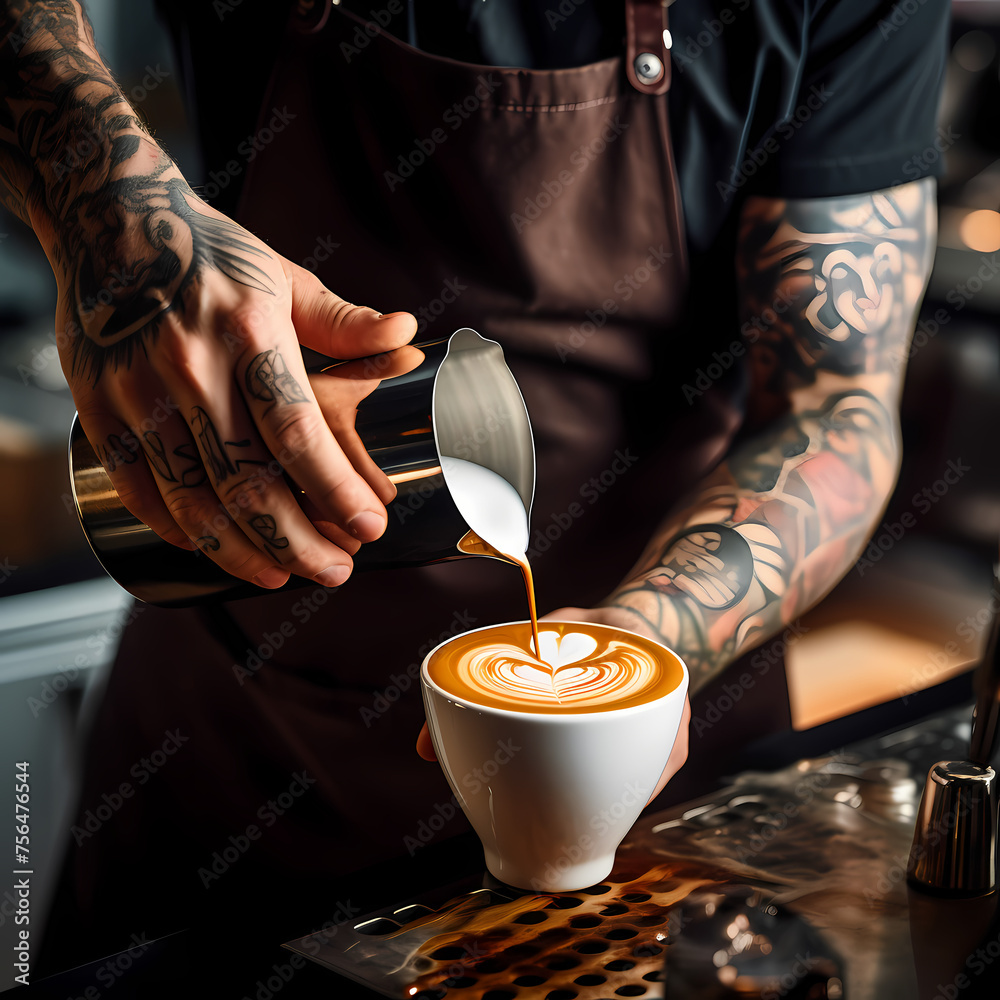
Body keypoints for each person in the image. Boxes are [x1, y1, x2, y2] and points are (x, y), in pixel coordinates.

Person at [1, 0, 948, 975]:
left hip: (659, 778)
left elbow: (835, 411)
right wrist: (99, 194)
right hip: (246, 748)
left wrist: (644, 650)